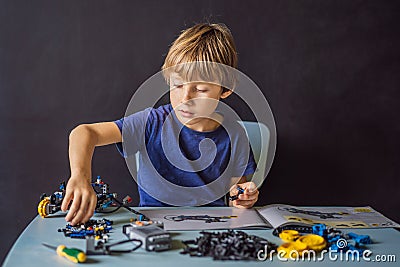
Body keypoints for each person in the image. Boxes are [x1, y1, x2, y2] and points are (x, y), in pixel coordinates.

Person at [61, 23, 260, 225]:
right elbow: (84, 132)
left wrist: (243, 197)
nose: (185, 98)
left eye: (200, 89)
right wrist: (80, 176)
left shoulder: (235, 134)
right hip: (154, 225)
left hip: (212, 226)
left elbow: (237, 191)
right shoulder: (151, 122)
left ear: (225, 89)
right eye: (177, 85)